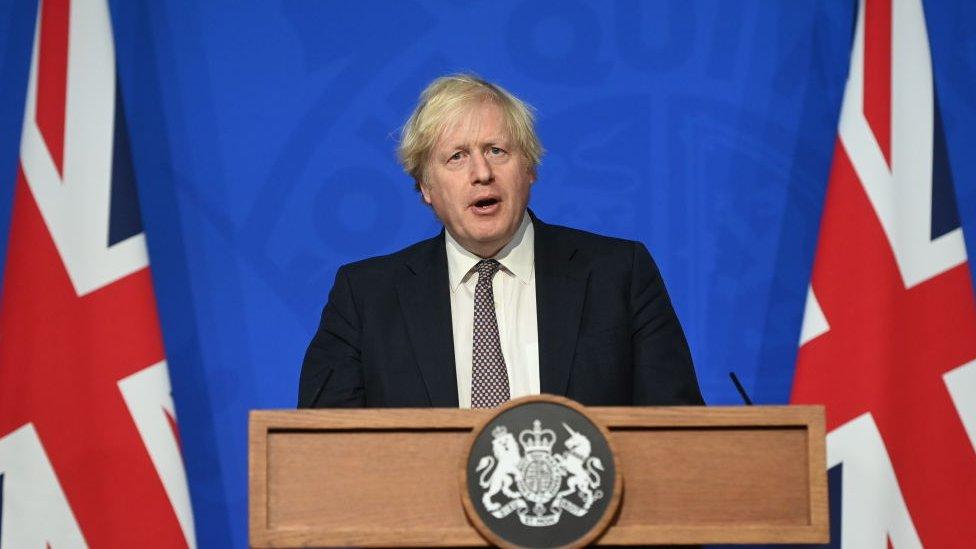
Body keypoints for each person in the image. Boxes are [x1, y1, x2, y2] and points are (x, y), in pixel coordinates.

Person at [298, 74, 703, 408]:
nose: (482, 173)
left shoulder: (619, 275)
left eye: (496, 150)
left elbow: (679, 437)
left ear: (530, 168)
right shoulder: (366, 297)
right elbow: (323, 451)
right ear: (424, 185)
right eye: (456, 156)